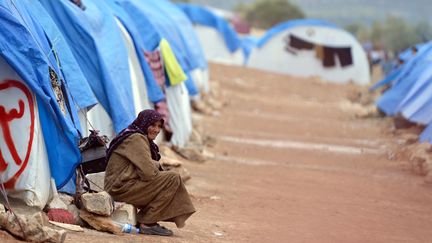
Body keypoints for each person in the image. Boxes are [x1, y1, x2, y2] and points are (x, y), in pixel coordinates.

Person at [104, 109, 195, 236]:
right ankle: (148, 223)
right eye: (152, 125)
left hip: (122, 185)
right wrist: (156, 164)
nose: (156, 130)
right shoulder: (137, 139)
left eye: (159, 126)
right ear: (144, 123)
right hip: (120, 188)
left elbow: (146, 167)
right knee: (172, 178)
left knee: (168, 178)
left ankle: (148, 221)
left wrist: (153, 164)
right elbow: (149, 173)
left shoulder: (136, 136)